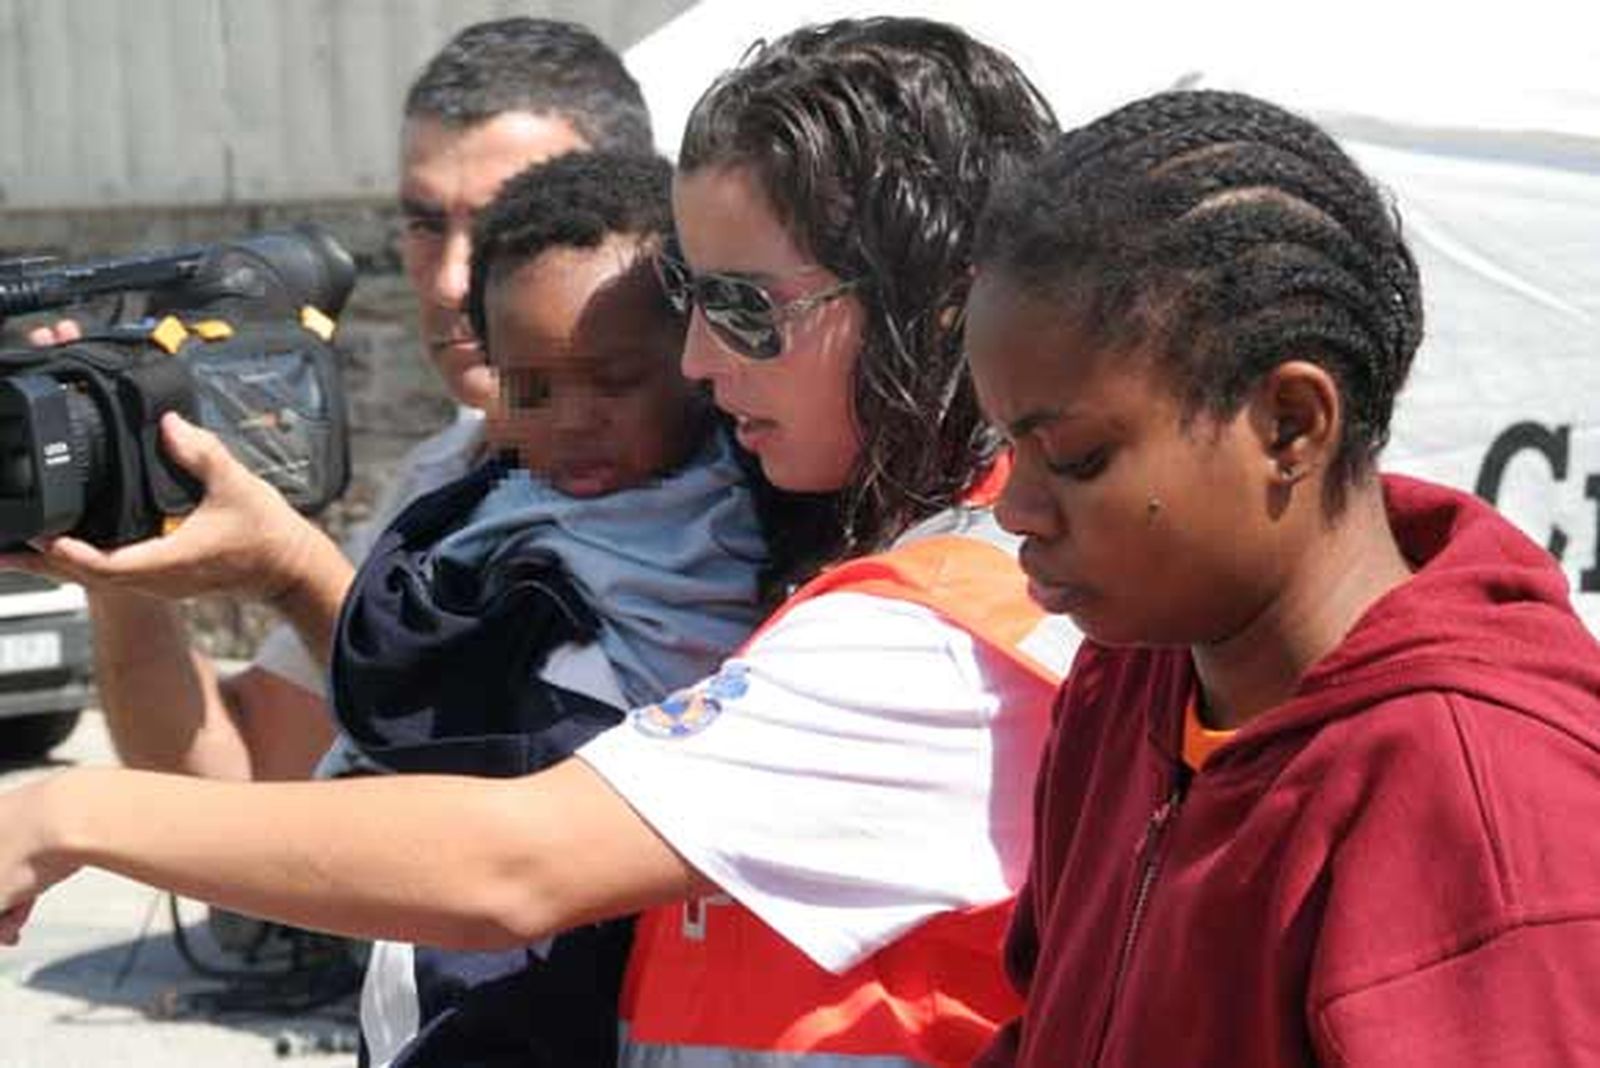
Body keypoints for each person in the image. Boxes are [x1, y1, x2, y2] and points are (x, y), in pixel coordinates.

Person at [0, 17, 1072, 1066]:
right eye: (693, 300)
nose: (700, 360)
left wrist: (72, 810)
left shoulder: (934, 635)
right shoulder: (832, 542)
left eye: (745, 309)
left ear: (936, 299)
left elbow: (516, 863)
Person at [963, 89, 1600, 1067]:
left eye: (1077, 458)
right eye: (1008, 447)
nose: (1016, 508)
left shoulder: (1483, 807)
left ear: (1290, 424)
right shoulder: (1126, 680)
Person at [72, 16, 653, 787]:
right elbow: (243, 768)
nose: (450, 279)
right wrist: (114, 531)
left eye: (509, 226)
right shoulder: (439, 476)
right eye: (425, 224)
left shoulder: (709, 497)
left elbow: (510, 786)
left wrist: (294, 572)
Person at [333, 149, 774, 1068]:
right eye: (531, 387)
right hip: (492, 975)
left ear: (699, 356)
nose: (573, 419)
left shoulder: (778, 515)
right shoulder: (474, 548)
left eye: (615, 381)